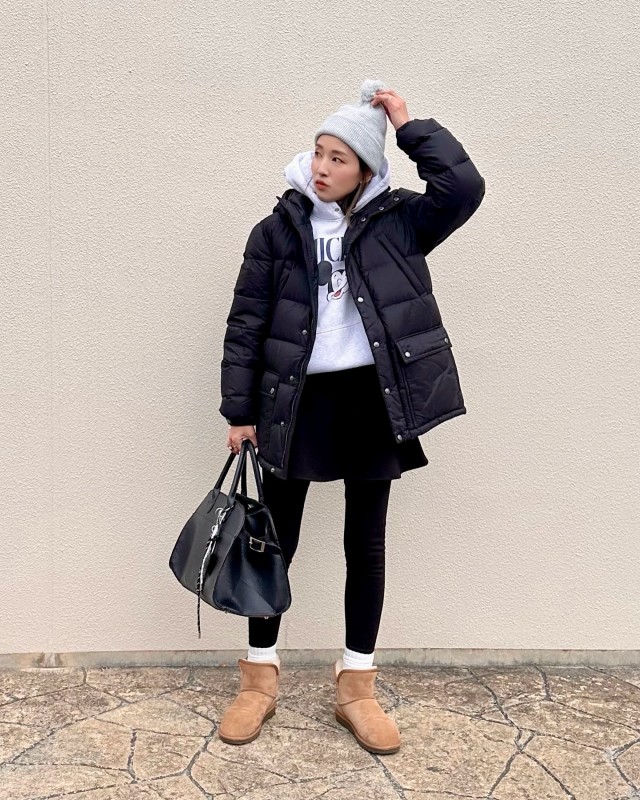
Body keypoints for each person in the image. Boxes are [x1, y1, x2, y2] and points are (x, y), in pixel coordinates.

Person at [217, 79, 485, 753]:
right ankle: (258, 679)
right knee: (273, 541)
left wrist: (406, 123)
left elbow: (463, 188)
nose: (322, 167)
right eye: (318, 152)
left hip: (372, 399)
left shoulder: (399, 224)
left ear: (366, 170)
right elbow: (246, 325)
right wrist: (240, 410)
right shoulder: (276, 231)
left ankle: (357, 686)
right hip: (294, 402)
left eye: (338, 158)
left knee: (365, 544)